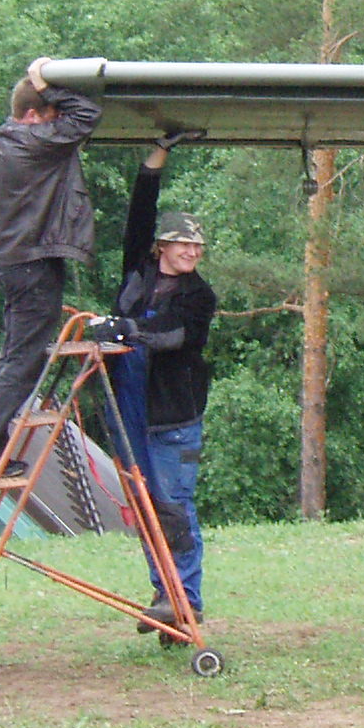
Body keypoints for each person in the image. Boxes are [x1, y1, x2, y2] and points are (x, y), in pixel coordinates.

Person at [0, 58, 103, 475]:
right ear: (31, 116)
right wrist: (46, 83)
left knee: (15, 359)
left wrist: (45, 91)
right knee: (22, 362)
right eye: (49, 117)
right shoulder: (31, 142)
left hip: (17, 262)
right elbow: (87, 116)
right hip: (32, 262)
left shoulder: (3, 141)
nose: (55, 125)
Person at [98, 139, 218, 628]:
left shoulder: (200, 296)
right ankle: (163, 595)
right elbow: (138, 214)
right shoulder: (138, 272)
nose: (191, 251)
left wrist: (133, 331)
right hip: (128, 412)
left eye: (197, 246)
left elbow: (178, 339)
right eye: (182, 243)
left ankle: (186, 597)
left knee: (173, 506)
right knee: (144, 507)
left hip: (173, 418)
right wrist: (154, 162)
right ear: (161, 247)